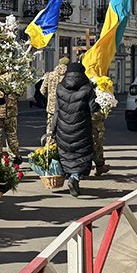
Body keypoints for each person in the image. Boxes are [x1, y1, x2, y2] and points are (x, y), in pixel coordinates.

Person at [53, 61, 97, 197]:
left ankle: (71, 176)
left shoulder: (60, 88)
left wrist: (52, 130)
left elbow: (56, 111)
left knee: (67, 153)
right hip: (82, 128)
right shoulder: (87, 88)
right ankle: (74, 178)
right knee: (82, 154)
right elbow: (93, 109)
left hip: (62, 129)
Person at [40, 57, 70, 143]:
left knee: (50, 129)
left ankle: (49, 149)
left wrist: (49, 97)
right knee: (65, 130)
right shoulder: (68, 76)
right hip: (65, 108)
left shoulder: (50, 75)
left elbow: (42, 90)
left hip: (52, 108)